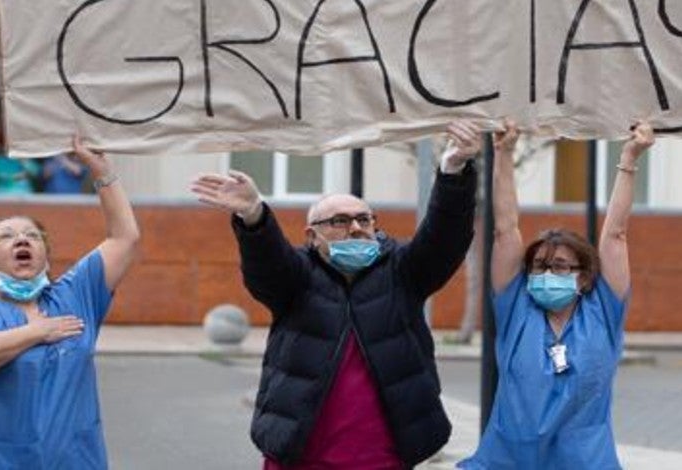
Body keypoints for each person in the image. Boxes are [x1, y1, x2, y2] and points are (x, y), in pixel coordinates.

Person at [190, 120, 483, 469]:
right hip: (301, 456)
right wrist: (254, 216)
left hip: (384, 458)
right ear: (312, 237)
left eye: (364, 219)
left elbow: (444, 239)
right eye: (339, 221)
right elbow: (268, 267)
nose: (356, 228)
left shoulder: (402, 272)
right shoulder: (296, 278)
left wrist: (453, 171)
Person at [0, 136, 140, 469]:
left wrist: (102, 171)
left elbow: (124, 238)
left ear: (45, 257)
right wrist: (37, 332)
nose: (21, 239)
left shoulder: (75, 295)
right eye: (6, 236)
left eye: (32, 236)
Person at [458, 121, 655, 469]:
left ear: (583, 278)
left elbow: (615, 236)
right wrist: (504, 154)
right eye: (539, 266)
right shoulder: (516, 306)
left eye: (561, 267)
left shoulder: (603, 310)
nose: (548, 274)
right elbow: (505, 230)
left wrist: (628, 157)